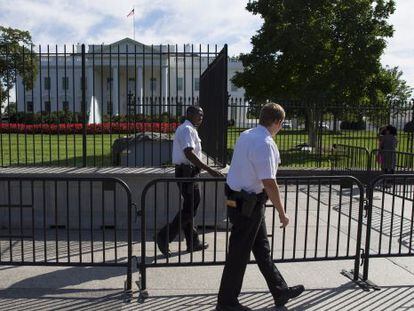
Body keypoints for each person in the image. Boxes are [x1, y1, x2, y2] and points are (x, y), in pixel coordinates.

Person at [216, 103, 304, 311]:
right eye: (281, 123)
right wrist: (282, 213)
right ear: (278, 122)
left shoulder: (247, 134)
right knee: (239, 253)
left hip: (239, 201)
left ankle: (280, 291)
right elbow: (269, 183)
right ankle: (226, 302)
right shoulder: (265, 143)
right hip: (248, 205)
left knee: (261, 249)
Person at [156, 106, 223, 257]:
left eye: (203, 115)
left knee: (189, 207)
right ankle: (164, 236)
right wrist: (210, 170)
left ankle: (193, 242)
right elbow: (189, 153)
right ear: (189, 114)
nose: (201, 117)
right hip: (186, 172)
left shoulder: (189, 128)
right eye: (199, 114)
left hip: (189, 172)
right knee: (190, 208)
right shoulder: (186, 129)